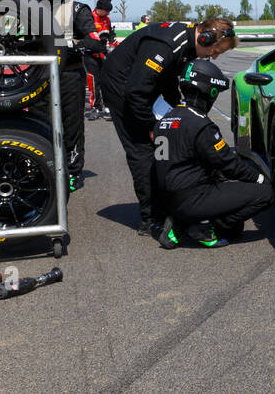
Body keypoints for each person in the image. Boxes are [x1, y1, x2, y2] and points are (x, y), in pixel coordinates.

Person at [101, 16, 238, 238]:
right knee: (144, 150)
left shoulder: (188, 42)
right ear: (204, 37)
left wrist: (180, 110)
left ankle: (168, 202)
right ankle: (151, 219)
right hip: (123, 86)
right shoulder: (166, 46)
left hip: (141, 83)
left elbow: (167, 80)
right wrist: (151, 126)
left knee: (170, 137)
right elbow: (136, 92)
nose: (213, 57)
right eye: (214, 51)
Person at [153, 59, 274, 248]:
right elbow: (228, 164)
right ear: (210, 92)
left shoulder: (167, 119)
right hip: (193, 197)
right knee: (265, 193)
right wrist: (259, 178)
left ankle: (185, 220)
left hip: (168, 199)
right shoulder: (200, 124)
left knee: (235, 229)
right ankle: (200, 225)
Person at [29, 0, 105, 192]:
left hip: (70, 74)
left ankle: (73, 171)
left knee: (71, 125)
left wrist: (63, 44)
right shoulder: (28, 9)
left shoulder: (77, 8)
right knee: (39, 124)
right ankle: (41, 167)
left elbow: (94, 41)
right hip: (39, 76)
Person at [86, 0, 115, 120]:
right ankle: (95, 108)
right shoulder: (89, 17)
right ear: (99, 9)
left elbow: (109, 32)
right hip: (90, 54)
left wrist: (111, 37)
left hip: (104, 54)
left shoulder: (107, 19)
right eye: (106, 11)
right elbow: (87, 36)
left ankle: (108, 107)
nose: (108, 13)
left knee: (107, 81)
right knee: (93, 82)